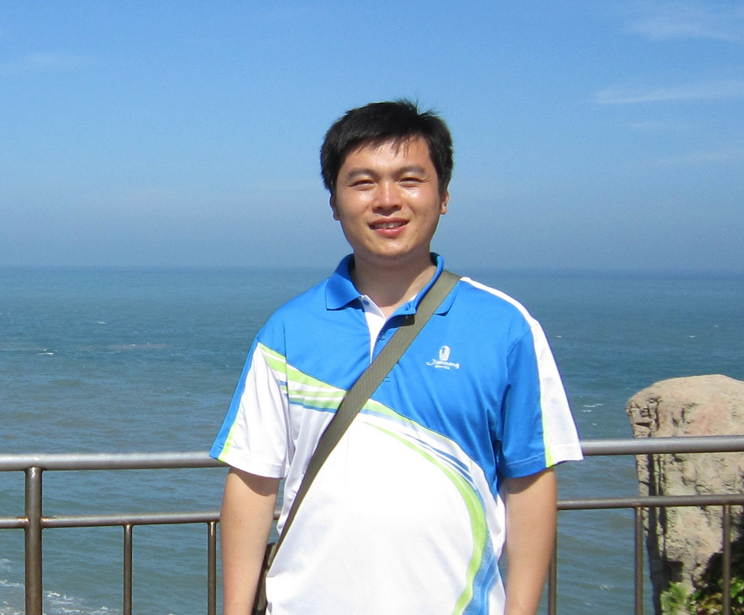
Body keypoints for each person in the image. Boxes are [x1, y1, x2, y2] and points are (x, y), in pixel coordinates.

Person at [212, 100, 582, 615]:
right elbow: (253, 483)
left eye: (409, 180)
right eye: (363, 183)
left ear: (444, 195)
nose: (387, 200)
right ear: (334, 202)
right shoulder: (287, 332)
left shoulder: (506, 328)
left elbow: (530, 480)